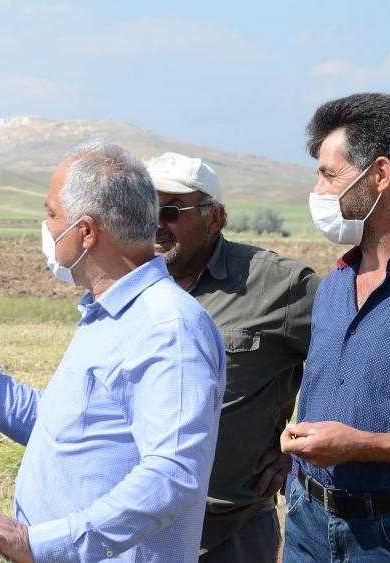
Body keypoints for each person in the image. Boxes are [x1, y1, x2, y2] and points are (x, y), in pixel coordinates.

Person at [0, 141, 226, 562]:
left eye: (52, 214)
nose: (46, 225)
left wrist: (39, 544)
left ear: (87, 231)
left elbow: (172, 476)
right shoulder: (107, 315)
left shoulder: (168, 327)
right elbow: (56, 427)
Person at [146, 152, 318, 562]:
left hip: (228, 533)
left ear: (215, 218)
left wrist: (301, 444)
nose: (154, 223)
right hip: (135, 529)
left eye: (169, 211)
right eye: (144, 208)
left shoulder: (278, 286)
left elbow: (352, 357)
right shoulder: (125, 283)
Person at [281, 92, 390, 561]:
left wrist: (363, 445)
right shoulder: (335, 283)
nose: (318, 191)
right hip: (307, 519)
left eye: (329, 174)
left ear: (380, 175)